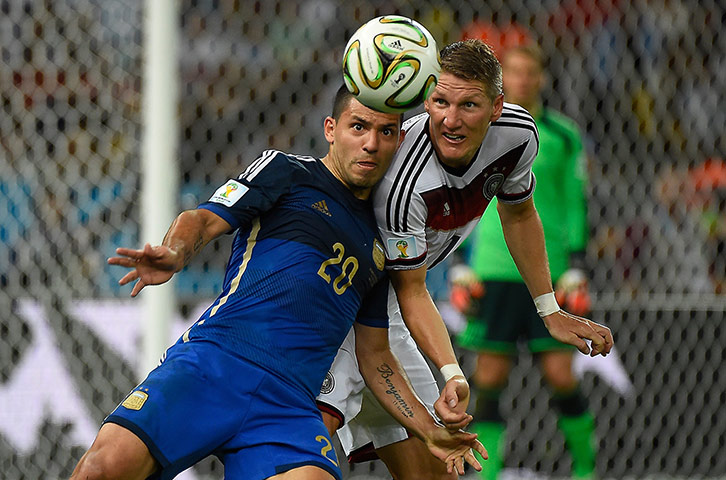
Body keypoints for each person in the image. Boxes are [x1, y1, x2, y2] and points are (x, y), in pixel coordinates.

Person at [69, 86, 487, 480]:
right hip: (216, 364)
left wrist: (429, 429)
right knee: (103, 468)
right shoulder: (286, 171)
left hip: (288, 405)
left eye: (386, 132)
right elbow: (203, 218)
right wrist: (176, 251)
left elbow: (376, 357)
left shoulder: (381, 245)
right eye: (358, 127)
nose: (371, 144)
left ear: (398, 141)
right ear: (331, 129)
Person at [316, 39, 613, 480]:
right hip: (336, 309)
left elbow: (519, 212)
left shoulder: (518, 136)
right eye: (439, 101)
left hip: (387, 314)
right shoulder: (405, 183)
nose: (450, 120)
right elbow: (413, 288)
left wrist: (549, 308)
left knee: (437, 471)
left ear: (496, 107)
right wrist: (452, 369)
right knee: (305, 454)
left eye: (468, 105)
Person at [452, 43, 598, 479]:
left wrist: (576, 263)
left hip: (547, 270)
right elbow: (460, 196)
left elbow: (575, 203)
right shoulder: (477, 130)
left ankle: (586, 470)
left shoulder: (563, 135)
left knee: (561, 374)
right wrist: (461, 261)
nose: (522, 80)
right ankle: (489, 472)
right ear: (502, 81)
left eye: (529, 72)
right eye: (512, 73)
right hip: (492, 269)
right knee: (489, 378)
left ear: (541, 79)